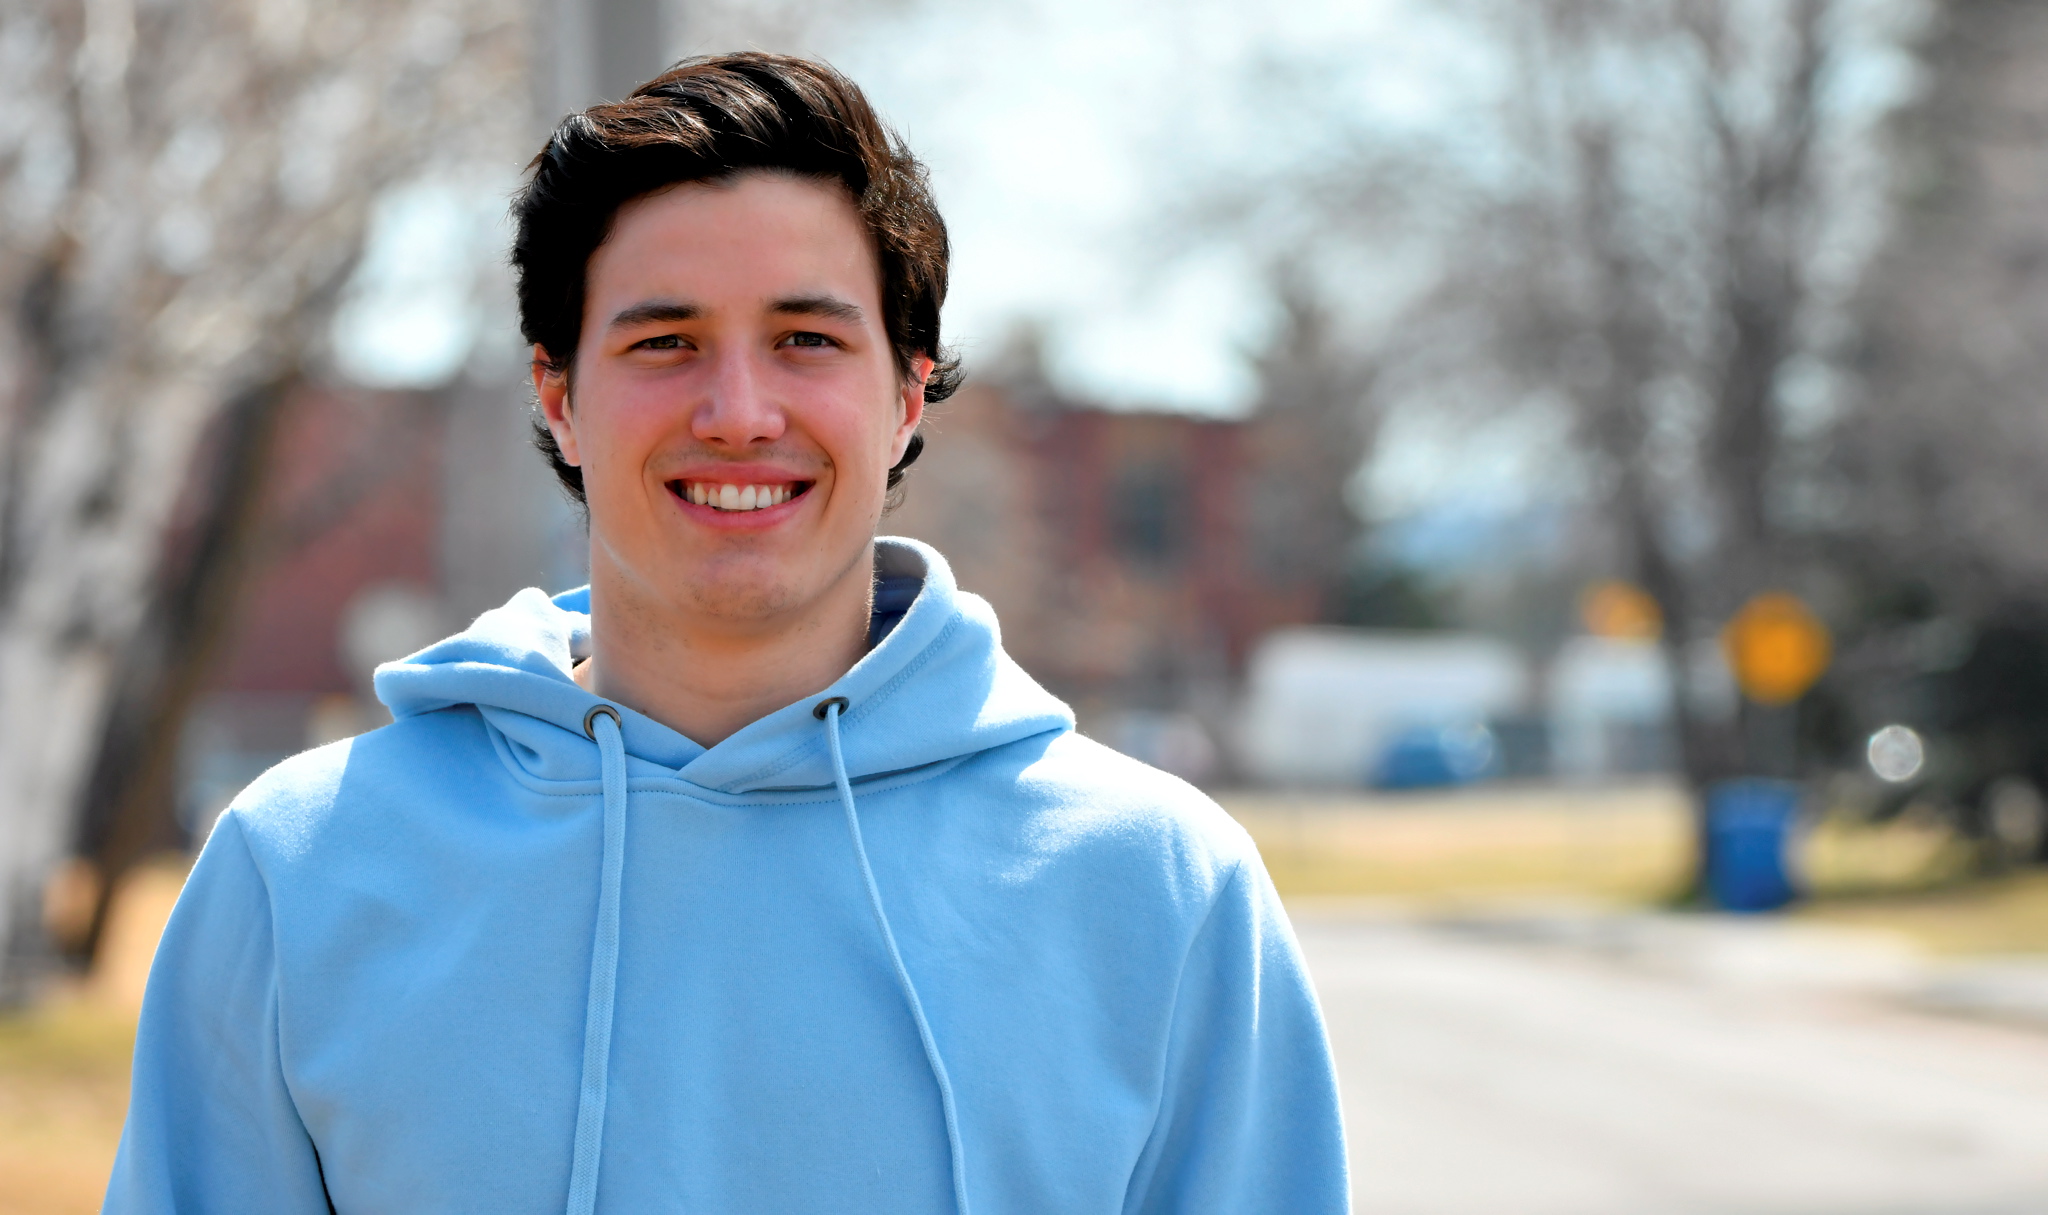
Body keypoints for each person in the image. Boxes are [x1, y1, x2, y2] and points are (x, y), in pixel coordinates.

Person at [104, 53, 1348, 1214]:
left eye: (806, 339)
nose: (739, 413)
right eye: (666, 342)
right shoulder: (302, 871)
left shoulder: (1157, 887)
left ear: (906, 395)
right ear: (558, 396)